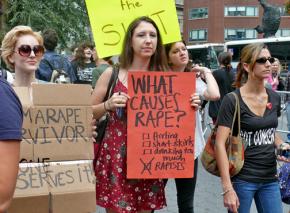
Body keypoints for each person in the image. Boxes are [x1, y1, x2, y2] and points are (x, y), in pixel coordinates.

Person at [91, 16, 201, 213]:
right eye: (141, 35)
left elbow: (178, 119)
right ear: (130, 41)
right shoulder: (112, 74)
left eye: (153, 35)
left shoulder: (167, 78)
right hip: (117, 159)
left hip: (149, 159)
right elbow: (86, 112)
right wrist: (107, 105)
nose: (148, 40)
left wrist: (191, 104)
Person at [215, 43, 290, 213]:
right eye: (262, 60)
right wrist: (227, 188)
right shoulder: (232, 100)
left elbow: (270, 131)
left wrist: (280, 144)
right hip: (242, 179)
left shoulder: (274, 97)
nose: (269, 64)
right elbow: (220, 144)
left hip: (270, 177)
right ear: (247, 66)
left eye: (270, 59)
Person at [164, 40, 220, 213]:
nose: (182, 53)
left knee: (186, 202)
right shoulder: (157, 80)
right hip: (159, 147)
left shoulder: (192, 81)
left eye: (184, 49)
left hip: (187, 148)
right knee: (151, 198)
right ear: (167, 57)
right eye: (175, 51)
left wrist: (206, 71)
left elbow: (214, 94)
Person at [0, 78, 23, 212]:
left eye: (38, 54)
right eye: (25, 53)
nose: (32, 55)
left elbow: (2, 199)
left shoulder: (2, 97)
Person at [209, 52, 235, 124]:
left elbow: (209, 89)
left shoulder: (216, 74)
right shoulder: (234, 73)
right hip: (232, 108)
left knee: (219, 133)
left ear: (219, 60)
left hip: (218, 109)